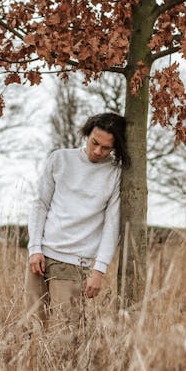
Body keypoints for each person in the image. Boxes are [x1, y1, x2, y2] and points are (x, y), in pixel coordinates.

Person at [25, 112, 128, 328]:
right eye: (94, 143)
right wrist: (34, 248)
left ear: (115, 148)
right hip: (40, 256)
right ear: (87, 134)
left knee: (66, 334)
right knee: (32, 329)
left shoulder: (115, 173)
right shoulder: (60, 158)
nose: (98, 151)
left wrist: (98, 271)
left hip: (74, 263)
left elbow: (112, 226)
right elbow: (40, 204)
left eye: (106, 148)